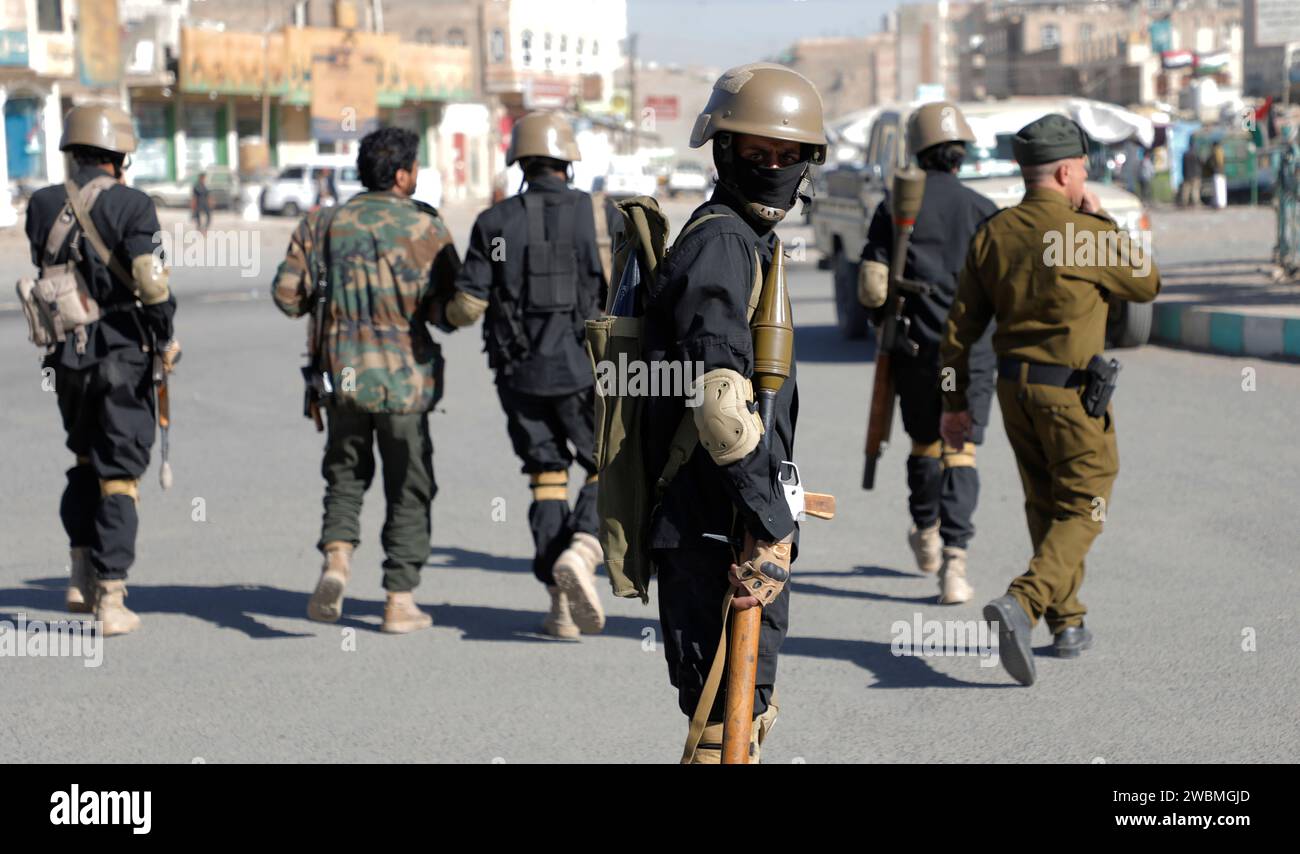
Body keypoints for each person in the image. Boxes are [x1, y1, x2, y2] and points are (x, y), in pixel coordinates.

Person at [640, 63, 824, 762]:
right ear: (723, 150)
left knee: (741, 719)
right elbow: (717, 405)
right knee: (725, 725)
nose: (774, 167)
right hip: (717, 529)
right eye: (757, 153)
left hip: (731, 521)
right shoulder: (721, 242)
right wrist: (768, 514)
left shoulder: (749, 240)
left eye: (788, 155)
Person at [940, 114, 1161, 686]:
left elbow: (958, 333)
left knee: (1045, 502)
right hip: (1071, 394)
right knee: (1087, 502)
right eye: (1084, 169)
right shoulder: (1086, 234)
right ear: (1067, 171)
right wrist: (1103, 218)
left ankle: (1067, 623)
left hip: (1016, 392)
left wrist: (953, 402)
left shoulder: (994, 232)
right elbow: (1147, 282)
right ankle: (1025, 602)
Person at [272, 127, 461, 634]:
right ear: (402, 175)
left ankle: (336, 561)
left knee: (345, 475)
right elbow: (449, 311)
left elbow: (288, 297)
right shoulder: (427, 226)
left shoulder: (322, 222)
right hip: (405, 385)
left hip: (341, 379)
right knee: (409, 486)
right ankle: (399, 600)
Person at [436, 111, 618, 639]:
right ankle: (584, 552)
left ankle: (558, 607)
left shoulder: (493, 223)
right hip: (585, 372)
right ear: (567, 162)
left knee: (546, 477)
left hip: (518, 376)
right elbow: (627, 288)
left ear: (519, 162)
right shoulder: (595, 215)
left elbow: (468, 307)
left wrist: (437, 316)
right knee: (609, 462)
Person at [24, 105, 180, 636]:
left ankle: (78, 576)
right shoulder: (134, 204)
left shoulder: (42, 205)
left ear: (72, 152)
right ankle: (111, 599)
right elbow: (152, 281)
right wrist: (166, 335)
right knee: (119, 478)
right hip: (121, 353)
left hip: (66, 359)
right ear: (120, 156)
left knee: (84, 460)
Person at [858, 101, 998, 604]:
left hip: (917, 351)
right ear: (961, 154)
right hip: (973, 355)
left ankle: (927, 534)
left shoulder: (895, 206)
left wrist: (885, 321)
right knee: (961, 449)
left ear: (917, 150)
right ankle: (955, 566)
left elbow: (872, 288)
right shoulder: (985, 209)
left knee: (924, 445)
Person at [1210, 141, 1227, 209]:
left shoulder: (1216, 151)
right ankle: (1221, 203)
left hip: (1217, 172)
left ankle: (1219, 203)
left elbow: (1218, 162)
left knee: (1218, 188)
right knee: (1221, 188)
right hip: (1221, 171)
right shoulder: (1221, 151)